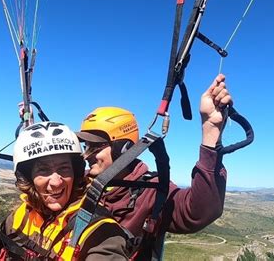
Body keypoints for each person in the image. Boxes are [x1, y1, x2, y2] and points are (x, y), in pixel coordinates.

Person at [0, 121, 132, 261]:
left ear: (76, 172)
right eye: (43, 170)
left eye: (64, 168)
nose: (56, 182)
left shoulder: (101, 232)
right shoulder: (26, 213)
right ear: (28, 178)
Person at [76, 74, 231, 239]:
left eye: (95, 147)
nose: (87, 156)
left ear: (123, 148)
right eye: (86, 146)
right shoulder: (79, 183)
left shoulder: (152, 190)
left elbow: (199, 212)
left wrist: (210, 131)